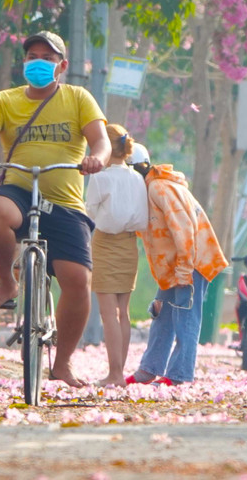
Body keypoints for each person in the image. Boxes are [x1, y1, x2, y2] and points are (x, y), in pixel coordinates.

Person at [0, 30, 110, 387]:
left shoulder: (78, 98)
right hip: (18, 190)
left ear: (61, 65)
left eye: (47, 57)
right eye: (32, 57)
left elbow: (100, 140)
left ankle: (61, 364)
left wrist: (98, 159)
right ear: (23, 63)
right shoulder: (4, 100)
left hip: (64, 203)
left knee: (78, 281)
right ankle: (6, 283)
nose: (38, 62)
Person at [128, 147, 228, 386]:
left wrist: (184, 269)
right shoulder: (150, 190)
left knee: (185, 318)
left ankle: (179, 375)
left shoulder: (159, 187)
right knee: (162, 316)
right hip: (176, 267)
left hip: (191, 262)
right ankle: (149, 369)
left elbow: (183, 228)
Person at [84, 126, 149, 387]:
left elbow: (89, 212)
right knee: (123, 312)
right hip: (130, 244)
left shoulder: (100, 178)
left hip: (105, 243)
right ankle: (118, 372)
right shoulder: (137, 178)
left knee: (108, 314)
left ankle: (115, 374)